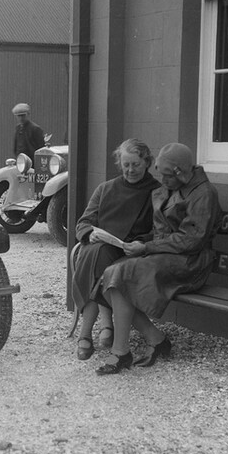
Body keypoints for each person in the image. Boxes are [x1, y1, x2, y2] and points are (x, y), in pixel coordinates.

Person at [93, 142, 223, 375]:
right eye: (160, 174)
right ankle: (153, 338)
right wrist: (136, 243)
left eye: (166, 176)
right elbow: (160, 230)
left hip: (191, 263)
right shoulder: (173, 187)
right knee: (111, 274)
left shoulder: (204, 193)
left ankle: (121, 351)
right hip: (165, 256)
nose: (161, 181)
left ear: (180, 172)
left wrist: (147, 247)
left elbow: (192, 241)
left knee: (122, 274)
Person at [71, 139, 159, 361]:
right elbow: (83, 222)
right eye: (126, 164)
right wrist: (89, 232)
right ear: (120, 164)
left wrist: (141, 243)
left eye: (136, 165)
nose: (130, 170)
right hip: (102, 249)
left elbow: (160, 231)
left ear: (147, 162)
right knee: (95, 251)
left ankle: (87, 334)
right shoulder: (106, 188)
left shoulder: (156, 192)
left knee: (93, 255)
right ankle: (103, 328)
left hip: (132, 254)